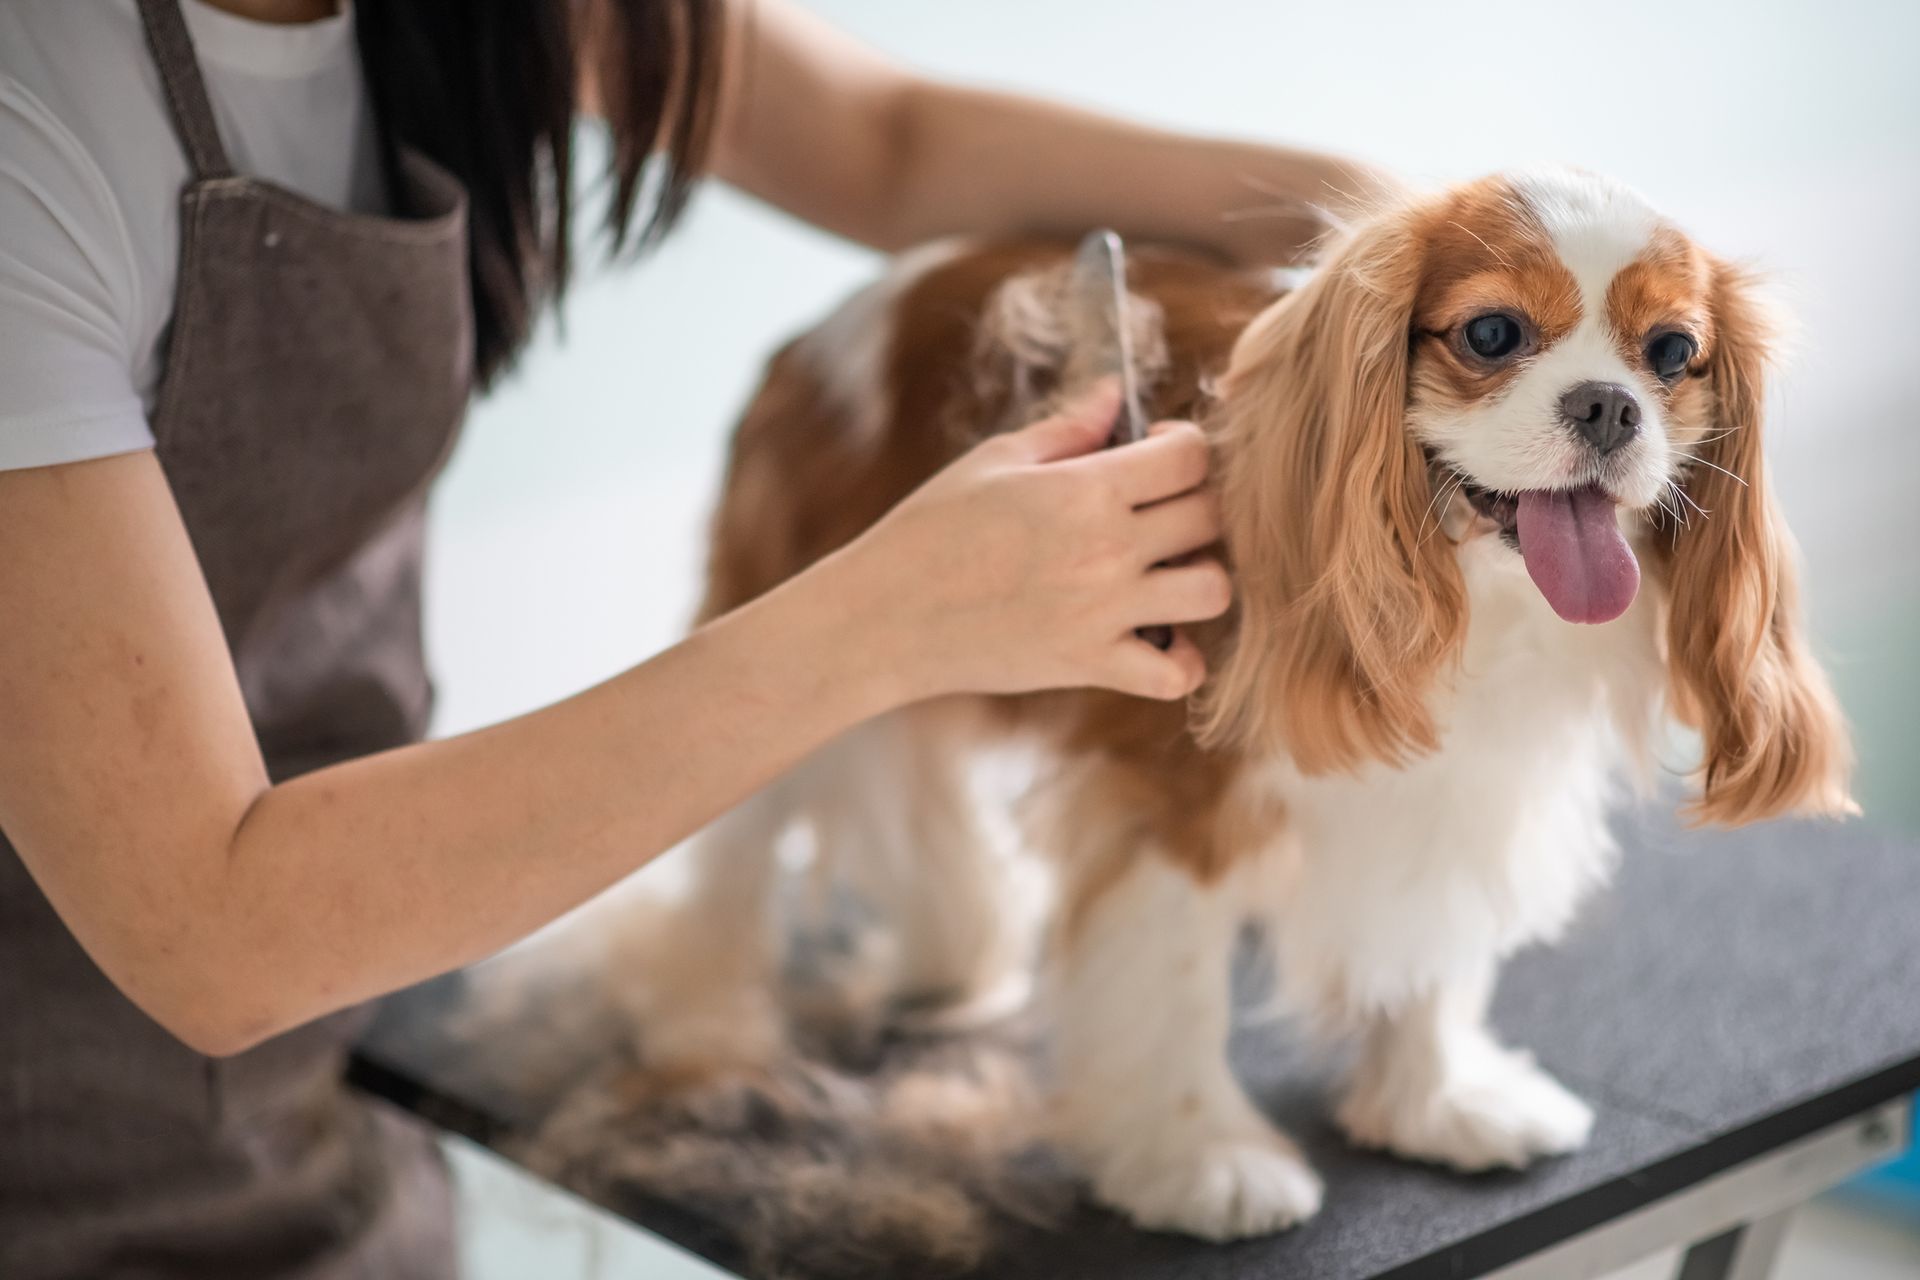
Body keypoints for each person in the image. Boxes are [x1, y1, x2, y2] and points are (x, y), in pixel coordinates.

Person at [0, 1, 1393, 1274]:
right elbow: (214, 933)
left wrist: (1391, 236)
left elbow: (885, 144)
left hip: (333, 1127)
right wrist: (885, 618)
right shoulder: (35, 129)